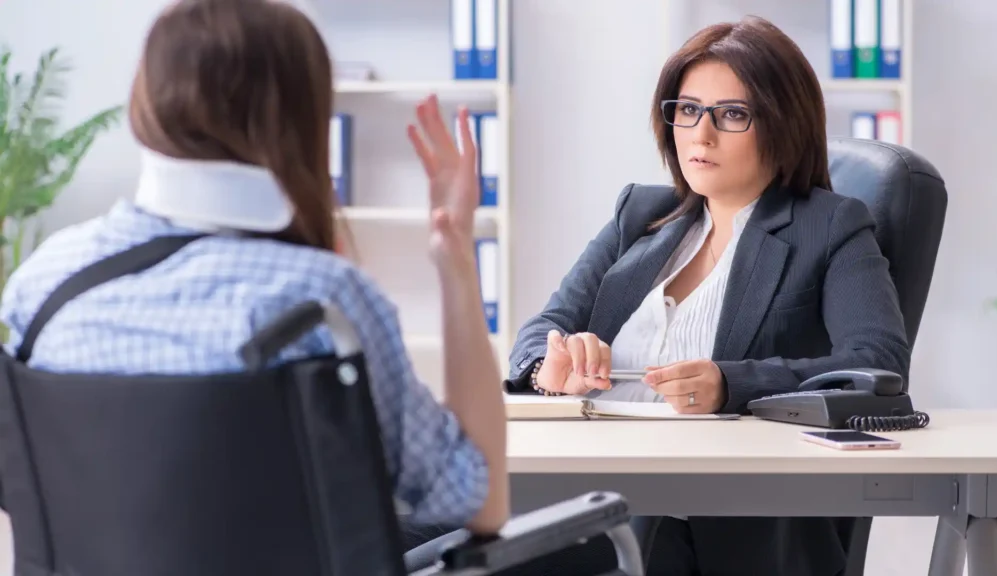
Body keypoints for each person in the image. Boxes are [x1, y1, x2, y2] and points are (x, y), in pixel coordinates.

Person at [0, 0, 510, 552]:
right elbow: (477, 503)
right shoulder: (323, 304)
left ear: (144, 103)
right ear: (301, 119)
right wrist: (455, 254)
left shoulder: (45, 286)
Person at [500, 15, 911, 576]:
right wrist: (551, 367)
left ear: (784, 125)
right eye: (688, 109)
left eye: (733, 115)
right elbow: (543, 329)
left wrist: (732, 383)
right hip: (584, 497)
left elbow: (876, 365)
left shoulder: (831, 226)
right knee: (384, 526)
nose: (701, 133)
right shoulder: (640, 216)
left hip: (703, 526)